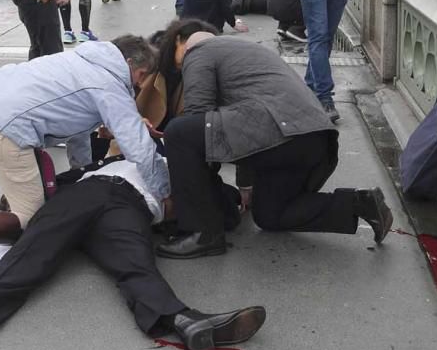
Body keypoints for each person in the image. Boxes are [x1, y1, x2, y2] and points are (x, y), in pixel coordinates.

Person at [0, 156, 266, 350]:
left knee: (134, 265)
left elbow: (225, 207)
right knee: (37, 247)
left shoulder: (185, 168)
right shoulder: (116, 158)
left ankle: (183, 320)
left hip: (131, 209)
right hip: (91, 191)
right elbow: (41, 190)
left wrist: (234, 201)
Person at [0, 35, 169, 271]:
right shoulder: (110, 85)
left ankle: (12, 196)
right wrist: (164, 191)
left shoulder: (86, 58)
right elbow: (140, 148)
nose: (140, 84)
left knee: (30, 176)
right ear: (128, 63)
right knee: (33, 219)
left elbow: (76, 126)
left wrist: (80, 174)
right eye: (141, 75)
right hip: (5, 125)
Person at [156, 29, 393, 259]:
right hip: (312, 140)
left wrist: (198, 191)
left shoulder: (198, 51)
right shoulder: (246, 53)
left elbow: (200, 117)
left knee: (179, 132)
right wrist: (245, 184)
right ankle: (358, 204)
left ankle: (203, 234)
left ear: (182, 41)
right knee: (270, 215)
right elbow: (241, 123)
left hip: (282, 132)